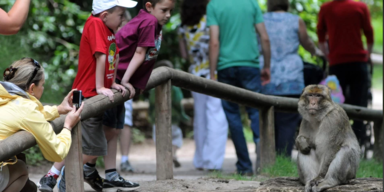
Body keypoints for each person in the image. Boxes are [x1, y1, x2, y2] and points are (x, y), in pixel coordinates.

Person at [38, 1, 140, 192]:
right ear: (105, 15)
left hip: (95, 94)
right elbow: (101, 56)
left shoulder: (108, 28)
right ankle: (64, 179)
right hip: (86, 95)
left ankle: (53, 176)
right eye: (120, 14)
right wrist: (101, 86)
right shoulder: (95, 24)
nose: (123, 19)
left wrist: (113, 83)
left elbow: (113, 56)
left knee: (90, 144)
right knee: (93, 147)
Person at [207, 0, 271, 175]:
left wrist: (212, 73)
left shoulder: (214, 5)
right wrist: (266, 65)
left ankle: (244, 166)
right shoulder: (251, 3)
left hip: (226, 67)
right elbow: (264, 37)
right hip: (250, 66)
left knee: (233, 117)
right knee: (256, 112)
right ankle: (263, 158)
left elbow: (214, 42)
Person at [0, 58, 83, 192]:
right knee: (20, 168)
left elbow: (29, 115)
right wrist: (67, 126)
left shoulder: (7, 98)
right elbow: (57, 152)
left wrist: (58, 109)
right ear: (32, 88)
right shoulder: (26, 109)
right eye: (42, 84)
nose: (43, 88)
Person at [259, 0, 321, 158]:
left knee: (266, 122)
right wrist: (315, 52)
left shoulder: (261, 19)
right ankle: (283, 160)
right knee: (288, 123)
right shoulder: (295, 20)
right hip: (291, 80)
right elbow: (306, 43)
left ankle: (266, 160)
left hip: (267, 79)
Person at [178, 0, 228, 171]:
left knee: (200, 118)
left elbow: (184, 55)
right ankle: (212, 161)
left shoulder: (182, 26)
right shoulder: (210, 20)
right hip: (213, 73)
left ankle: (199, 159)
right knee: (216, 116)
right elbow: (217, 44)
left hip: (194, 75)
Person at [317, 0, 374, 146]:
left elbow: (320, 34)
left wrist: (327, 55)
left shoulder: (326, 9)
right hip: (358, 62)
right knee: (360, 104)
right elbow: (369, 32)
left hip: (337, 63)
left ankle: (338, 141)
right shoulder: (360, 7)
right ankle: (358, 142)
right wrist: (368, 54)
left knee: (335, 104)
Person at [150, 61, 191, 168]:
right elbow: (178, 104)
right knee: (175, 138)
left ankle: (163, 160)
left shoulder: (152, 90)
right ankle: (173, 154)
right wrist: (183, 116)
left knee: (159, 140)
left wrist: (150, 116)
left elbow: (151, 104)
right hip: (173, 119)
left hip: (157, 120)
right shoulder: (175, 90)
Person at [117, 10, 135, 173]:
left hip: (125, 84)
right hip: (108, 85)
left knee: (126, 120)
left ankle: (125, 158)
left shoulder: (130, 40)